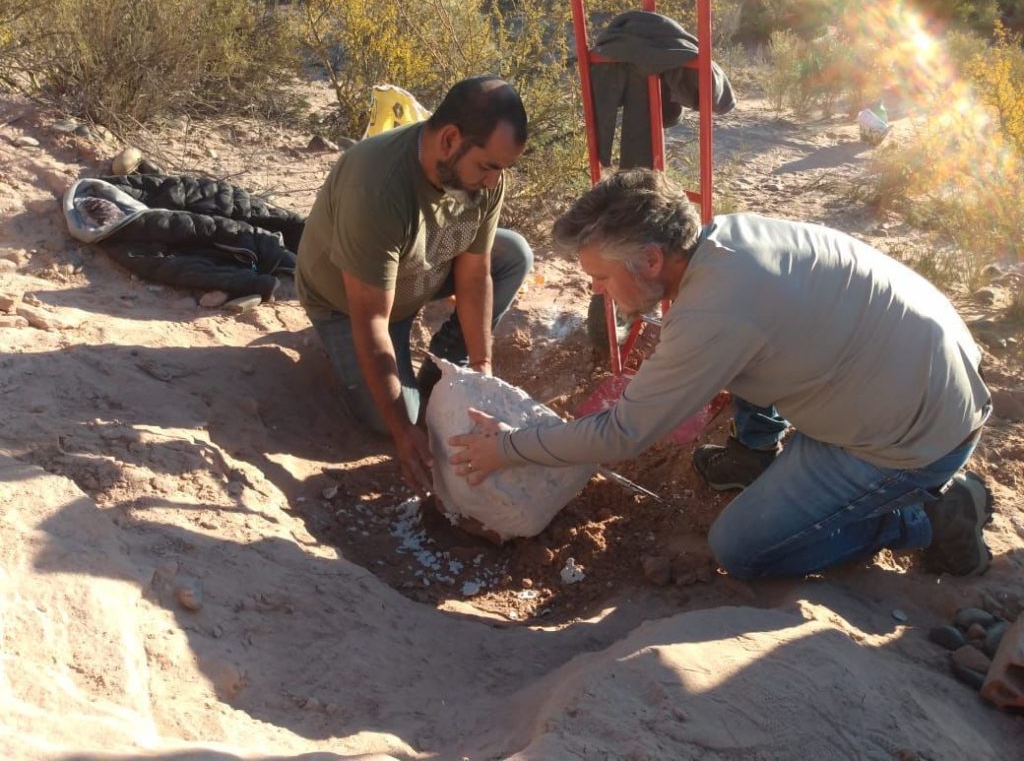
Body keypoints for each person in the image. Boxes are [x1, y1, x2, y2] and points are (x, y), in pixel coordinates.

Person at [449, 168, 994, 580]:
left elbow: (622, 434)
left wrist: (510, 448)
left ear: (652, 260)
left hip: (907, 440)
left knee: (742, 549)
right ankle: (755, 453)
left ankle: (929, 517)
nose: (595, 289)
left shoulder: (715, 313)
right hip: (923, 371)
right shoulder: (727, 240)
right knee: (758, 350)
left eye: (600, 275)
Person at [297, 75, 532, 496]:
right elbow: (371, 320)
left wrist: (481, 368)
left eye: (502, 169)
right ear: (449, 139)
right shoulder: (376, 186)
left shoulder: (485, 173)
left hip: (420, 272)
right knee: (389, 417)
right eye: (487, 167)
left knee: (513, 253)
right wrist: (404, 432)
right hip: (348, 304)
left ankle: (442, 363)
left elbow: (475, 272)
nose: (495, 181)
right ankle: (343, 353)